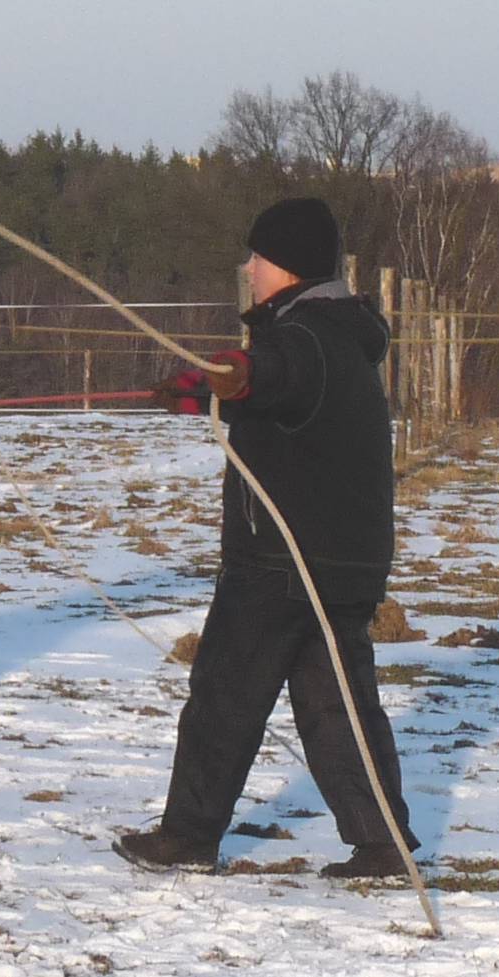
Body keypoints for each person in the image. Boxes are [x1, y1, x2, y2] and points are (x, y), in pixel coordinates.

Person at [113, 197, 419, 879]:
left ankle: (188, 835)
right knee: (335, 704)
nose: (248, 268)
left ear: (286, 266)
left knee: (225, 690)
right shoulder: (341, 335)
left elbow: (275, 374)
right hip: (344, 565)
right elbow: (277, 398)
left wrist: (236, 372)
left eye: (257, 257)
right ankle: (381, 842)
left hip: (280, 563)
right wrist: (201, 391)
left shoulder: (301, 336)